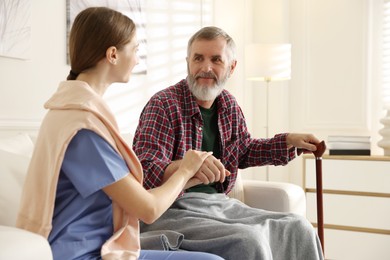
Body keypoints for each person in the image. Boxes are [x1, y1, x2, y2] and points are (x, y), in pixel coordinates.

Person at [16, 8, 224, 260]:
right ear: (113, 54)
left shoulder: (69, 111)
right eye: (135, 49)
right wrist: (185, 169)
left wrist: (189, 177)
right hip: (82, 254)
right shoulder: (83, 128)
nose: (137, 59)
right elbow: (148, 209)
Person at [133, 26, 324, 260]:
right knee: (248, 240)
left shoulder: (229, 105)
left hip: (219, 206)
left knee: (298, 227)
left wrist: (288, 141)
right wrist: (187, 167)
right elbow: (144, 170)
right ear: (188, 63)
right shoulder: (163, 104)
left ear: (231, 67)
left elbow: (244, 151)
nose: (206, 67)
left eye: (216, 59)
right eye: (198, 58)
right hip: (172, 210)